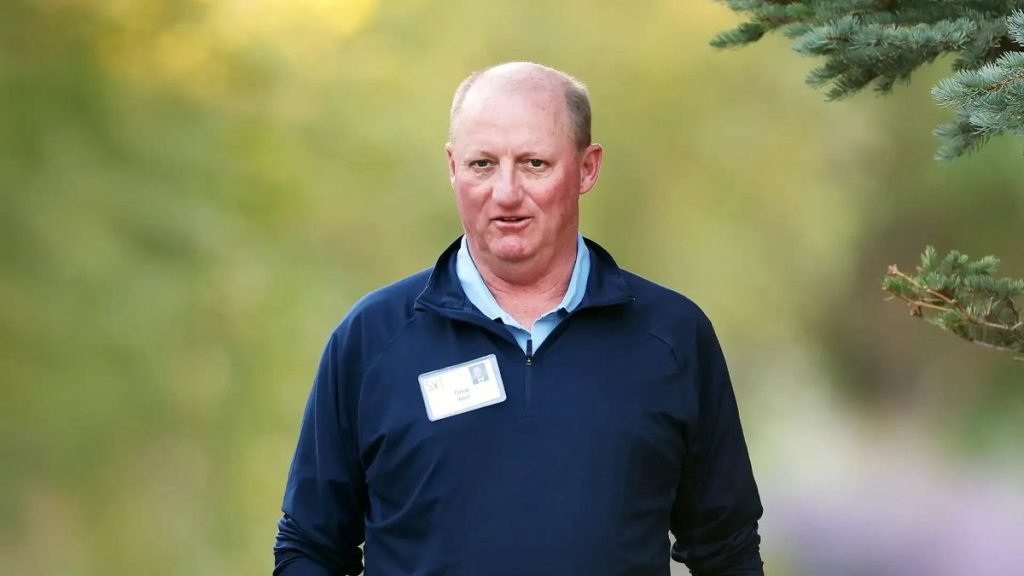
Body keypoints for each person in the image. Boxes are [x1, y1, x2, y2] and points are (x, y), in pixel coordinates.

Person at [274, 62, 764, 575]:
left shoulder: (672, 337)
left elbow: (726, 550)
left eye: (534, 164)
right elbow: (309, 547)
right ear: (452, 167)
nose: (506, 193)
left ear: (587, 168)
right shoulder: (372, 339)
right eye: (483, 164)